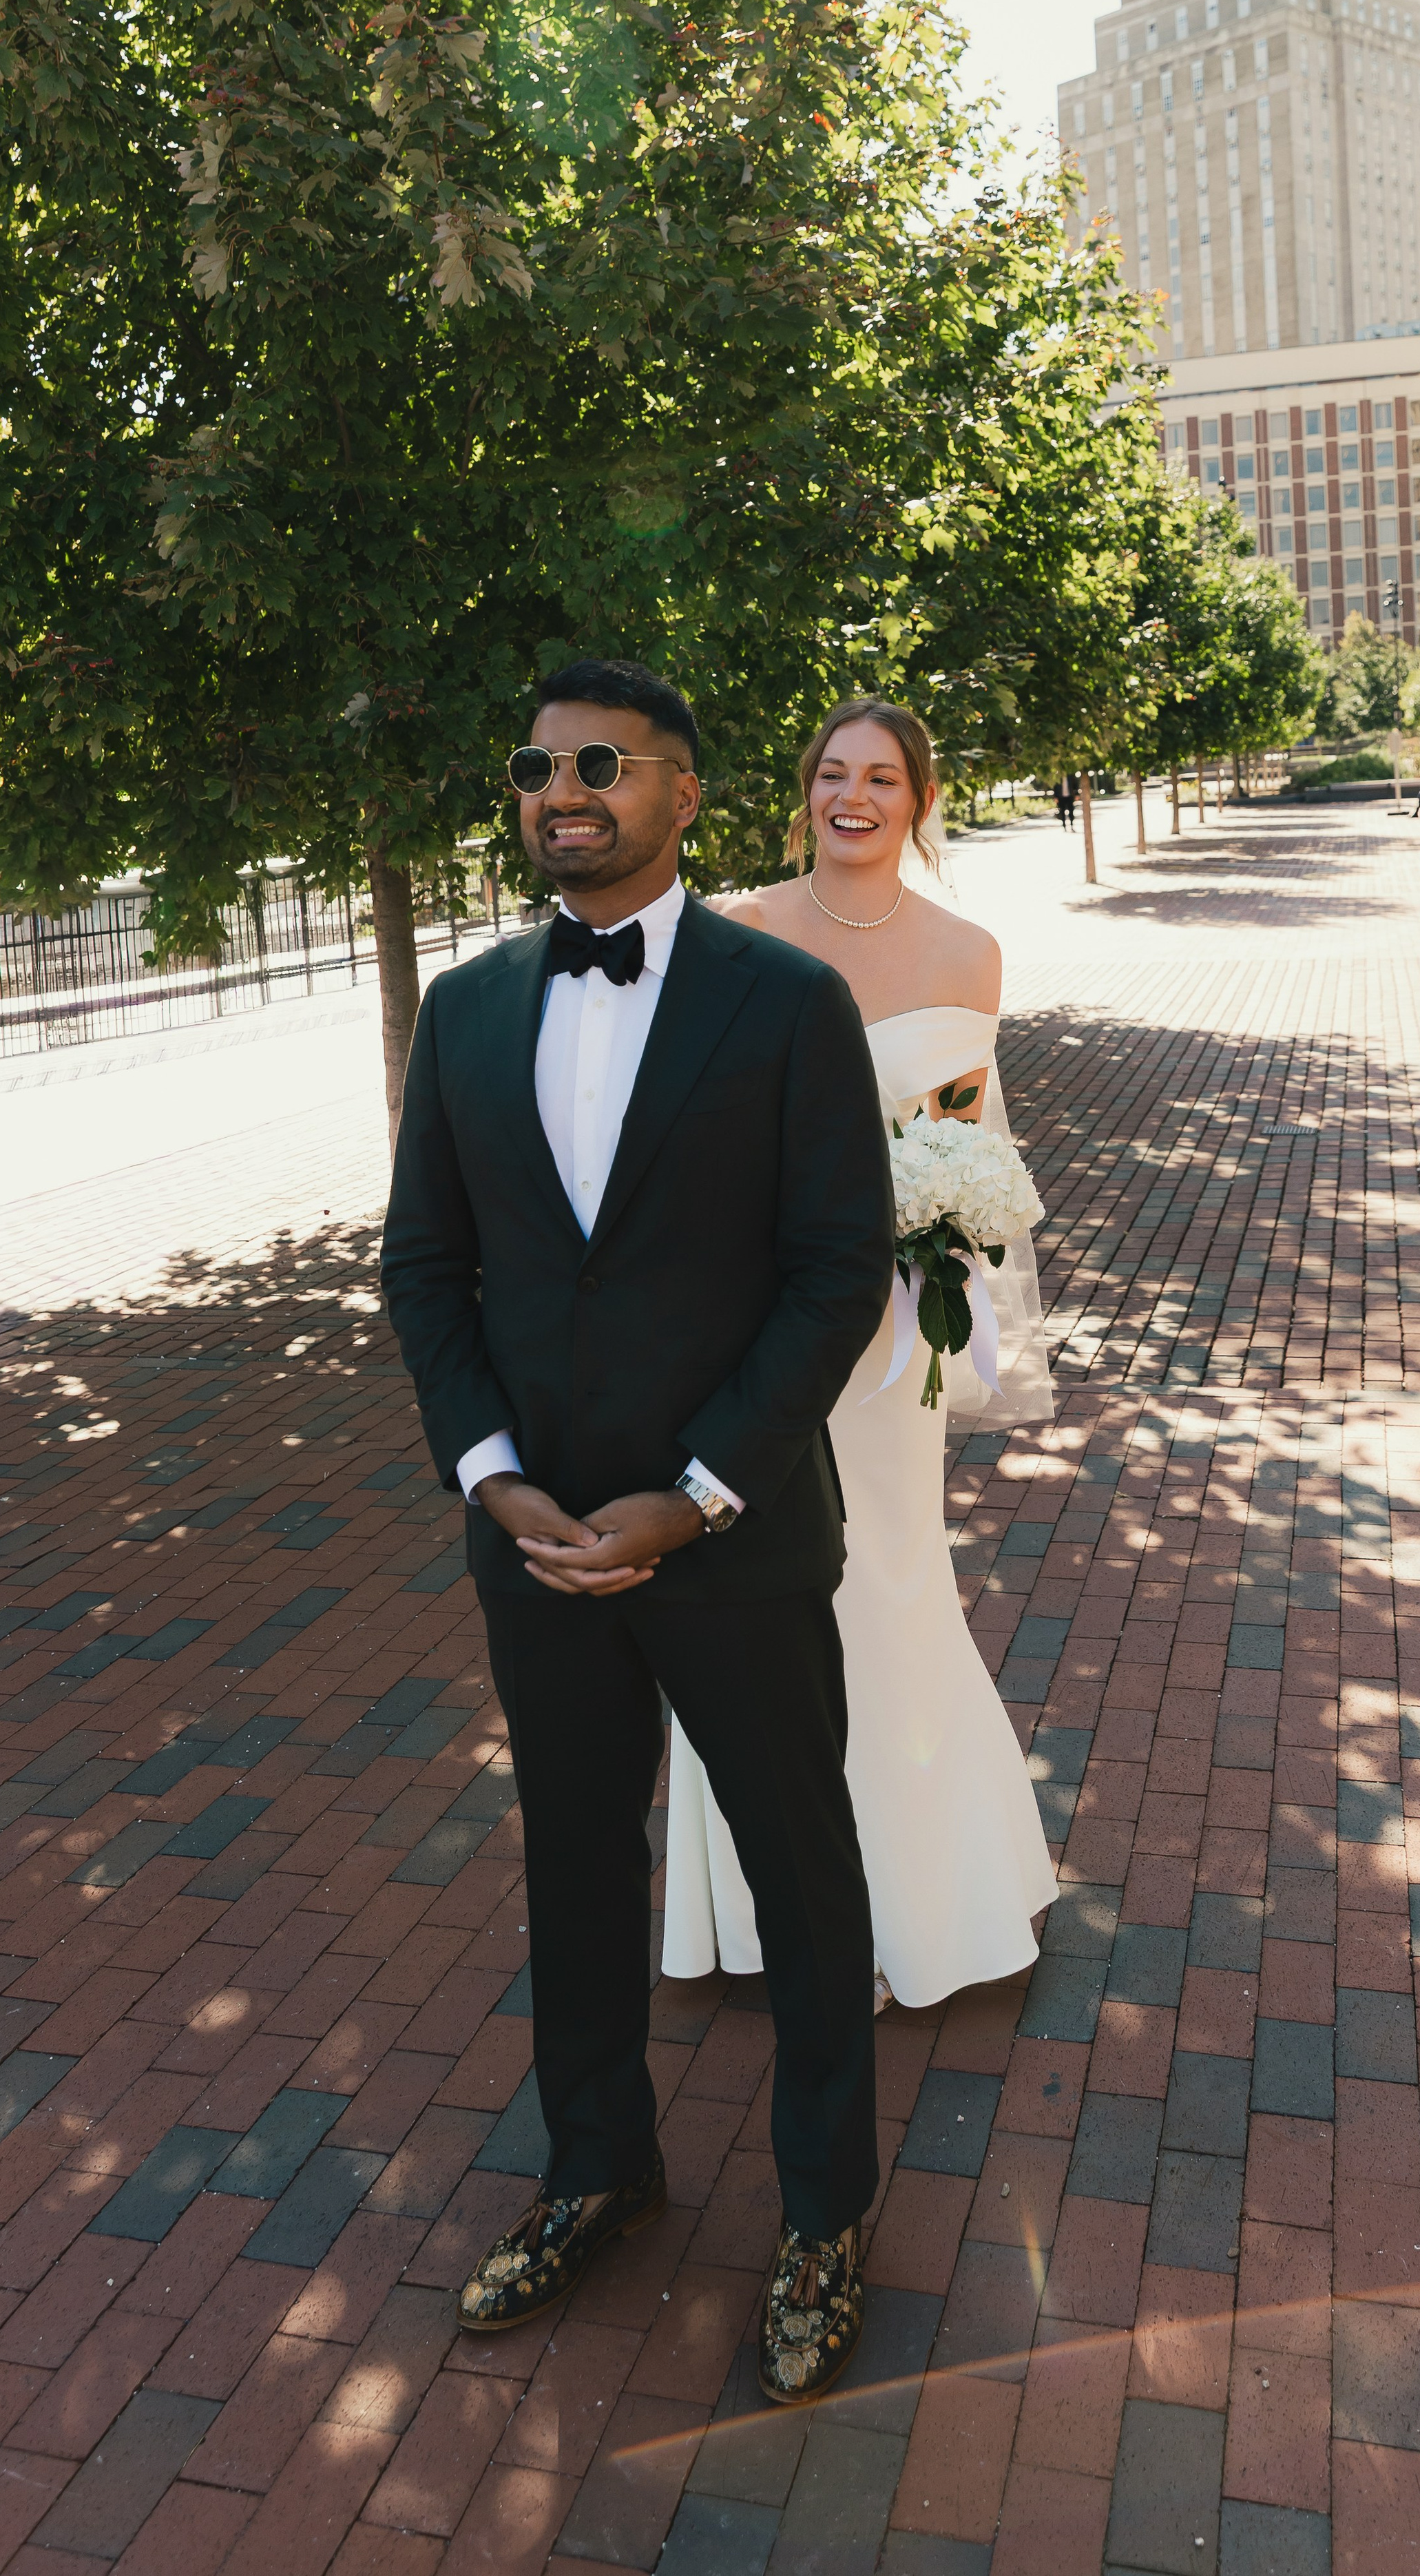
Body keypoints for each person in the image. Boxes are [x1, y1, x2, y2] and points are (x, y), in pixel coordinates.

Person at [382, 658, 895, 2407]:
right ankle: (594, 2166)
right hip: (533, 1545)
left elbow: (839, 1266)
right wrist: (489, 1471)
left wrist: (694, 1491)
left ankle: (826, 2209)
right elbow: (422, 1270)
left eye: (600, 762)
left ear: (681, 793)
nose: (560, 789)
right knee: (574, 1866)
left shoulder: (784, 1001)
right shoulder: (459, 1009)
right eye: (534, 766)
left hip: (729, 1536)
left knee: (803, 1875)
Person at [661, 697, 1058, 2015]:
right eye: (833, 772)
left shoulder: (972, 951)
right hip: (764, 1326)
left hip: (893, 1347)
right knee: (756, 1593)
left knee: (889, 1578)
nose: (855, 795)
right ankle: (774, 1906)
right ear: (803, 791)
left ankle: (909, 1895)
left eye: (882, 776)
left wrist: (942, 1218)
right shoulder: (740, 933)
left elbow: (975, 1138)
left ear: (920, 797)